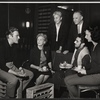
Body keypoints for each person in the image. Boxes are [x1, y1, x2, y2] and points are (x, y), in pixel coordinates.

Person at [64, 26, 100, 98]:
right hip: (92, 73)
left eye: (87, 35)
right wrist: (82, 69)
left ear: (93, 35)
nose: (86, 37)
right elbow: (93, 64)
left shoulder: (99, 48)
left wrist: (86, 72)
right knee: (66, 79)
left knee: (69, 82)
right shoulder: (93, 47)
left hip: (97, 76)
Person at [0, 27, 33, 98]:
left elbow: (16, 60)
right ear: (10, 36)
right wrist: (16, 73)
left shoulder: (15, 46)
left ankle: (17, 92)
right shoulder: (1, 45)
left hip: (11, 65)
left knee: (30, 74)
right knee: (14, 80)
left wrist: (21, 69)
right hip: (1, 68)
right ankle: (9, 97)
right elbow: (2, 65)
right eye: (17, 36)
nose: (19, 37)